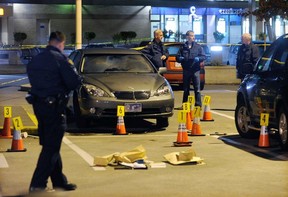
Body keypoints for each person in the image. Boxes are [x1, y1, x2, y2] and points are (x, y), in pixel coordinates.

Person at [26, 31, 82, 193]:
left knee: (51, 144)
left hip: (39, 106)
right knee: (51, 147)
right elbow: (73, 82)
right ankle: (38, 184)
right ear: (60, 43)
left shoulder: (36, 59)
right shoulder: (61, 59)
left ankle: (59, 181)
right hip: (55, 108)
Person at [176, 30, 206, 107]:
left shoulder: (198, 47)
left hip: (195, 70)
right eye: (191, 35)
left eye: (193, 36)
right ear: (187, 37)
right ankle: (185, 104)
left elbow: (203, 56)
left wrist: (198, 58)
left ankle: (198, 105)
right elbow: (177, 57)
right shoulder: (183, 47)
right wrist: (180, 58)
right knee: (186, 89)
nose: (192, 37)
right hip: (186, 70)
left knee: (197, 89)